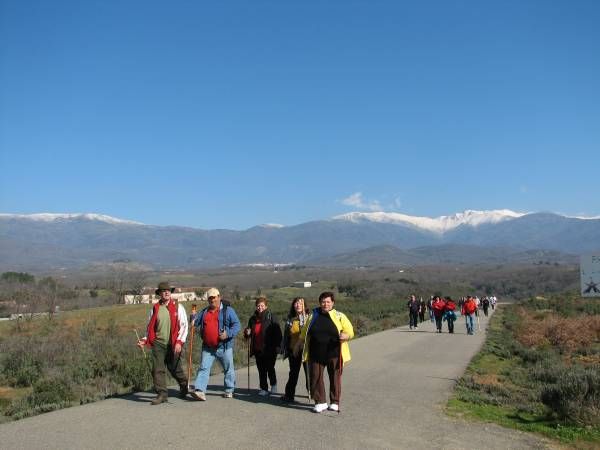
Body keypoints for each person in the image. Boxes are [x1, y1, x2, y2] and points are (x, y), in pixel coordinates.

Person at [298, 291, 354, 413]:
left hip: (334, 353)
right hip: (315, 353)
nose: (325, 304)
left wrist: (346, 335)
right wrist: (299, 344)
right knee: (316, 377)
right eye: (323, 301)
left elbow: (350, 331)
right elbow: (304, 333)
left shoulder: (340, 316)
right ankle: (320, 402)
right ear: (320, 303)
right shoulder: (313, 316)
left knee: (335, 378)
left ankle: (335, 402)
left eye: (328, 302)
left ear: (333, 303)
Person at [137, 282, 189, 405]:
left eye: (168, 290)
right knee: (157, 369)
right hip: (158, 344)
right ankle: (162, 394)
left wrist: (179, 342)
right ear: (159, 294)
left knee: (175, 369)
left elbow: (184, 326)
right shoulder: (155, 308)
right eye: (163, 291)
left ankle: (184, 386)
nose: (166, 292)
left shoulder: (178, 307)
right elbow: (150, 328)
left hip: (173, 343)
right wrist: (144, 340)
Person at [191, 288, 241, 400]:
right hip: (208, 347)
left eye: (214, 297)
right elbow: (195, 323)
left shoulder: (228, 311)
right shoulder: (204, 312)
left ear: (219, 297)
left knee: (228, 369)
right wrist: (193, 317)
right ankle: (200, 390)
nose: (212, 300)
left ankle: (229, 390)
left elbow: (237, 325)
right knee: (204, 367)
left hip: (224, 346)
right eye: (210, 298)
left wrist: (227, 334)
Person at [244, 296, 282, 396]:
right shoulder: (252, 319)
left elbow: (278, 333)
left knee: (270, 368)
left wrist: (278, 347)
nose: (260, 307)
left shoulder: (271, 316)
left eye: (262, 305)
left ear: (266, 306)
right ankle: (264, 388)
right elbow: (248, 331)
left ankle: (273, 385)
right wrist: (247, 332)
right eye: (258, 306)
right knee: (261, 369)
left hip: (269, 348)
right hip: (257, 348)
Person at [280, 297, 310, 403]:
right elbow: (286, 335)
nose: (298, 305)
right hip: (293, 351)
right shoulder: (290, 319)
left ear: (304, 306)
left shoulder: (309, 318)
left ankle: (313, 393)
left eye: (300, 304)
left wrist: (304, 320)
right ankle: (289, 395)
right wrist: (284, 348)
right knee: (293, 373)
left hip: (306, 350)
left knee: (309, 374)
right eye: (296, 303)